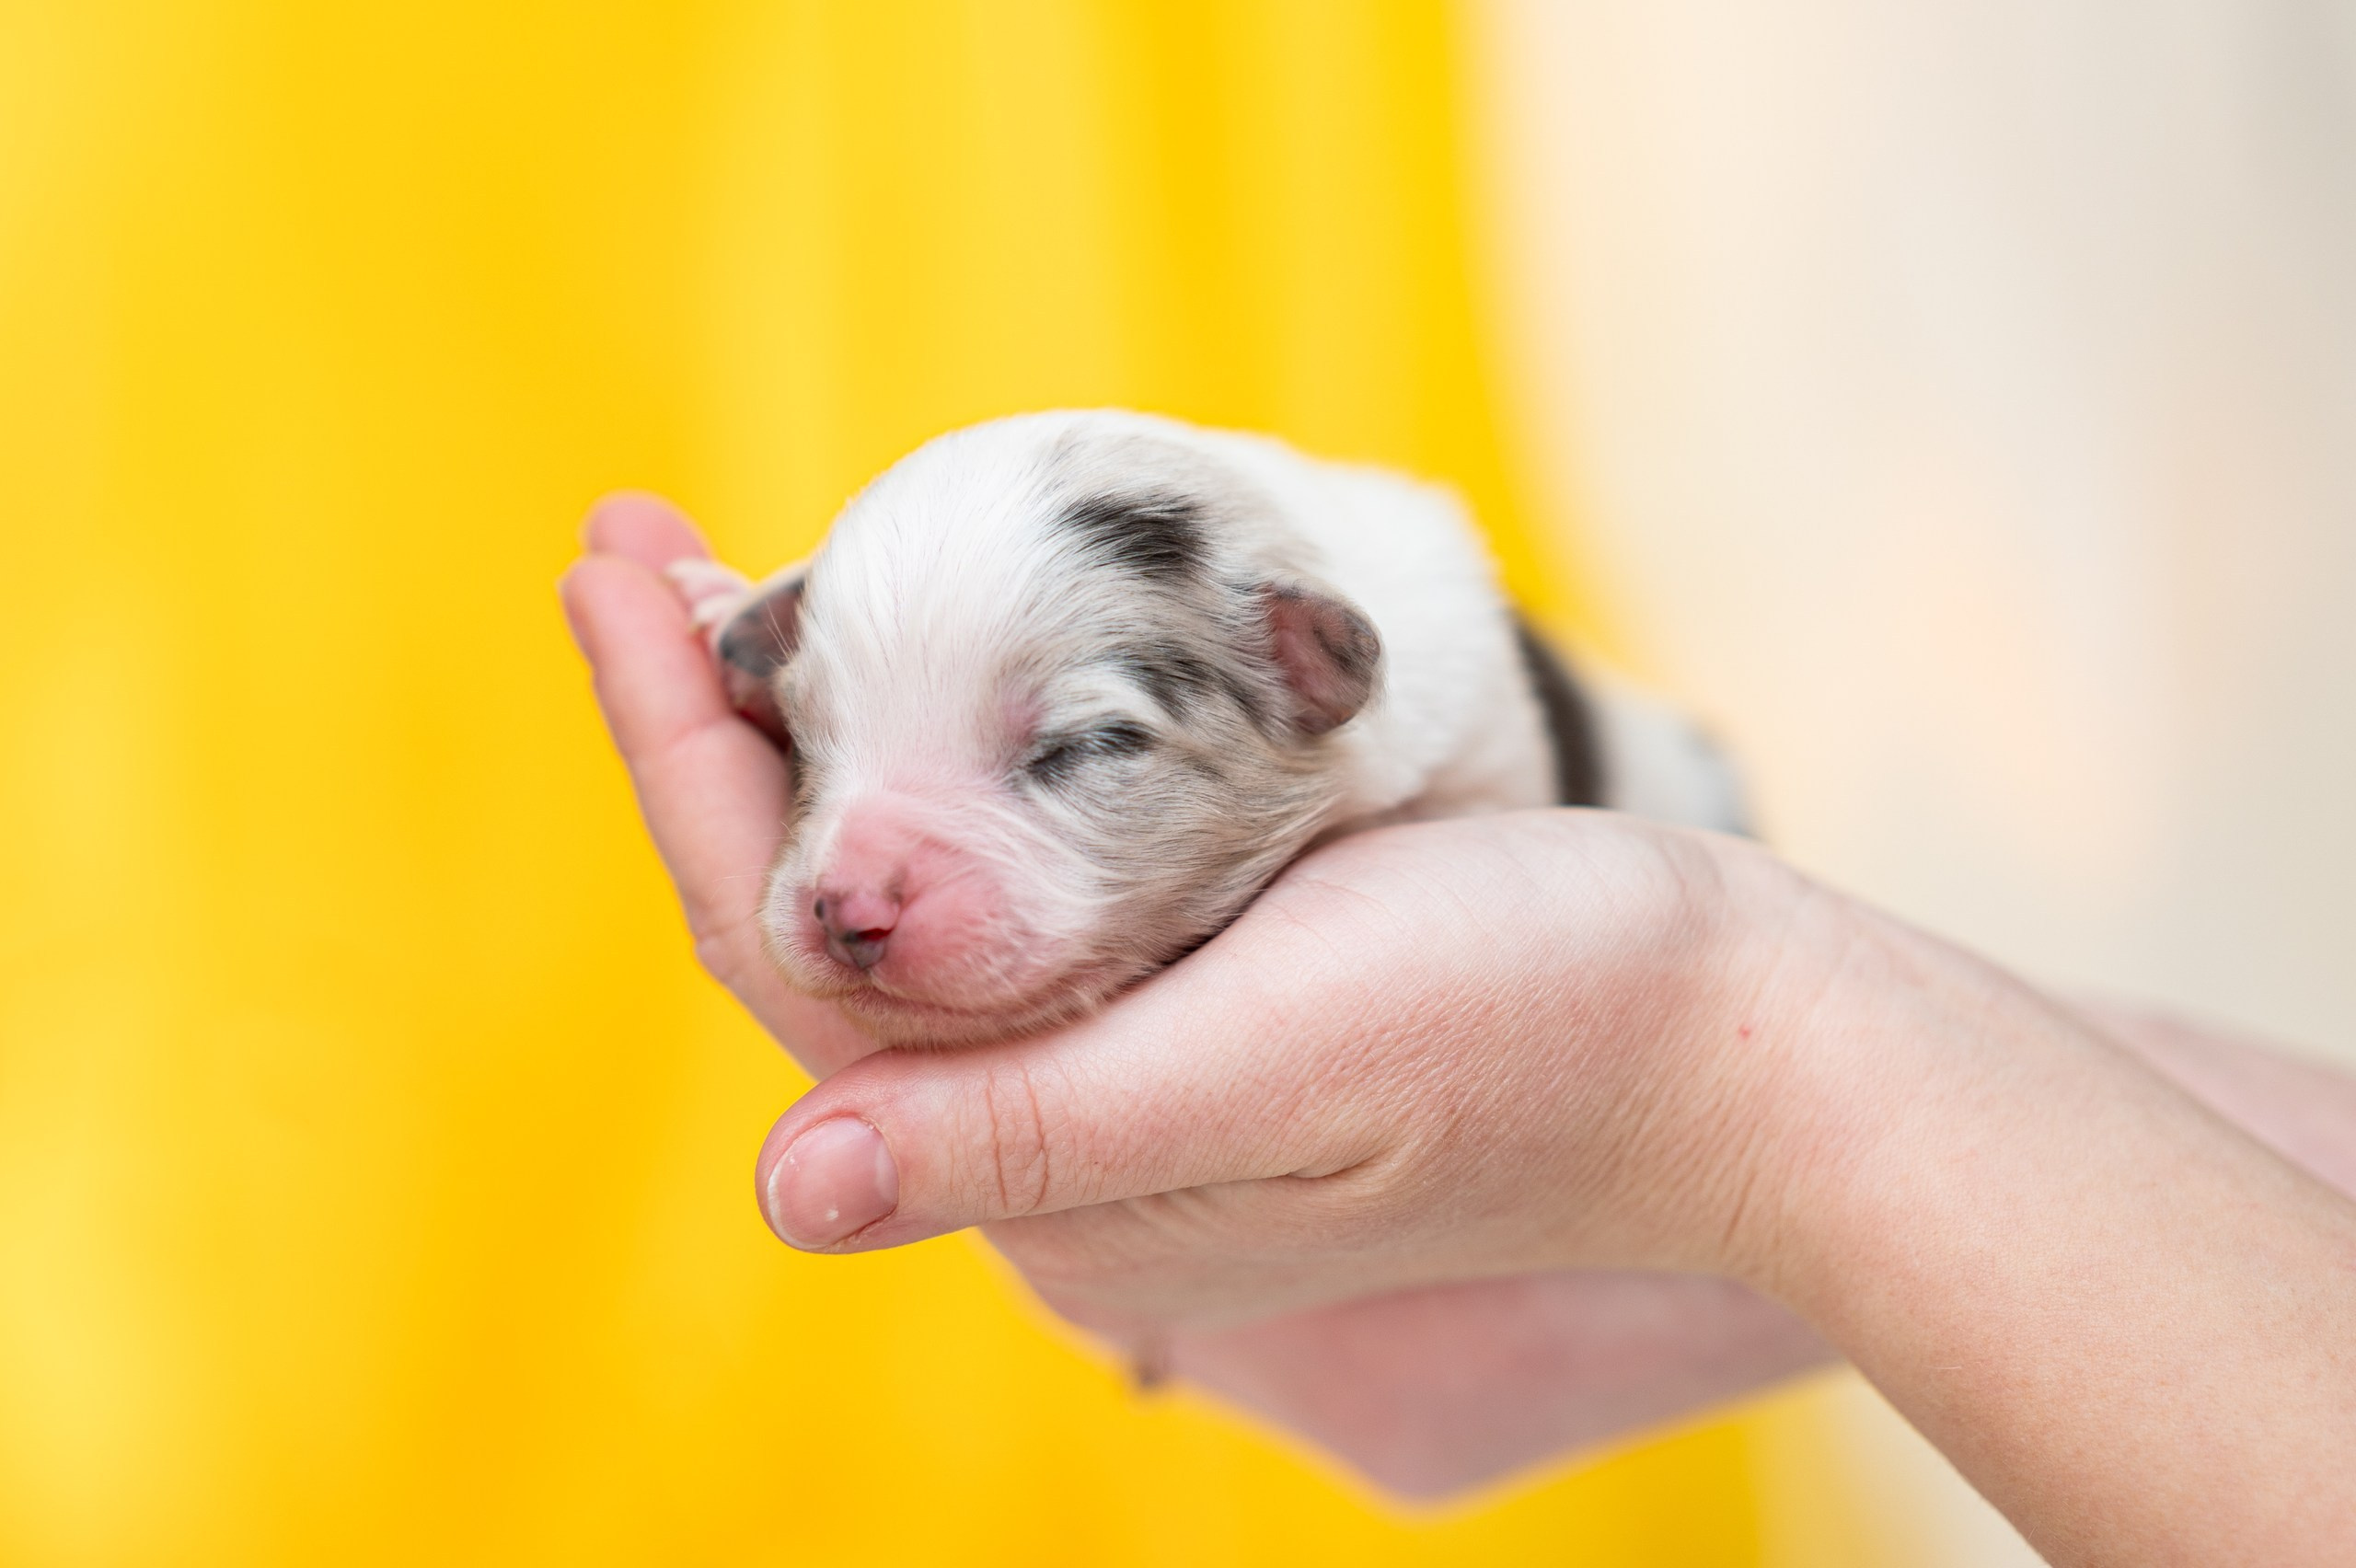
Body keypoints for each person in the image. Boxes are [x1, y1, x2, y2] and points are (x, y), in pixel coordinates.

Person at [560, 495, 2356, 1567]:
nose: (852, 895)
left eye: (1069, 752)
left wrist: (1716, 1062)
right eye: (829, 728)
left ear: (1310, 681)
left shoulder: (1400, 676)